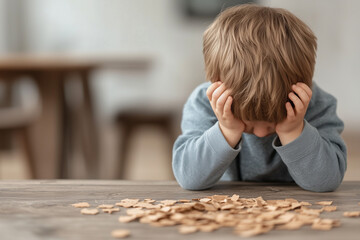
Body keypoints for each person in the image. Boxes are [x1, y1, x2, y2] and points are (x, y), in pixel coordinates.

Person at [172, 4, 347, 192]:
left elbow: (326, 182)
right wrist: (227, 130)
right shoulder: (204, 103)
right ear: (219, 86)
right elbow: (189, 178)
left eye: (273, 122)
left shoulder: (317, 104)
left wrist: (293, 130)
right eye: (248, 122)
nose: (262, 133)